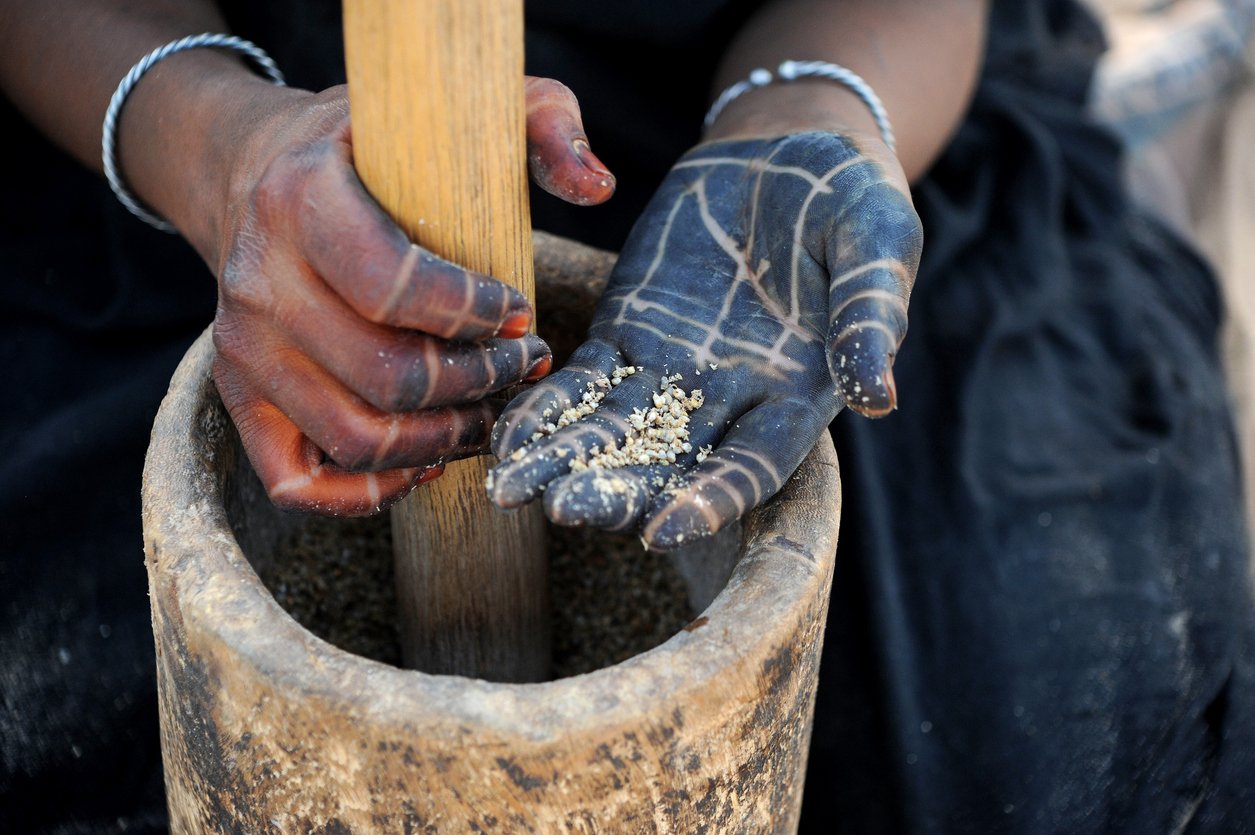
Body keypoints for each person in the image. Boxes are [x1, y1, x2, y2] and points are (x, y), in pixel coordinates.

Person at [1, 2, 1251, 834]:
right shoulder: (228, 165)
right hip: (233, 186)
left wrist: (807, 117)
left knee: (1071, 745)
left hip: (782, 160)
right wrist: (219, 150)